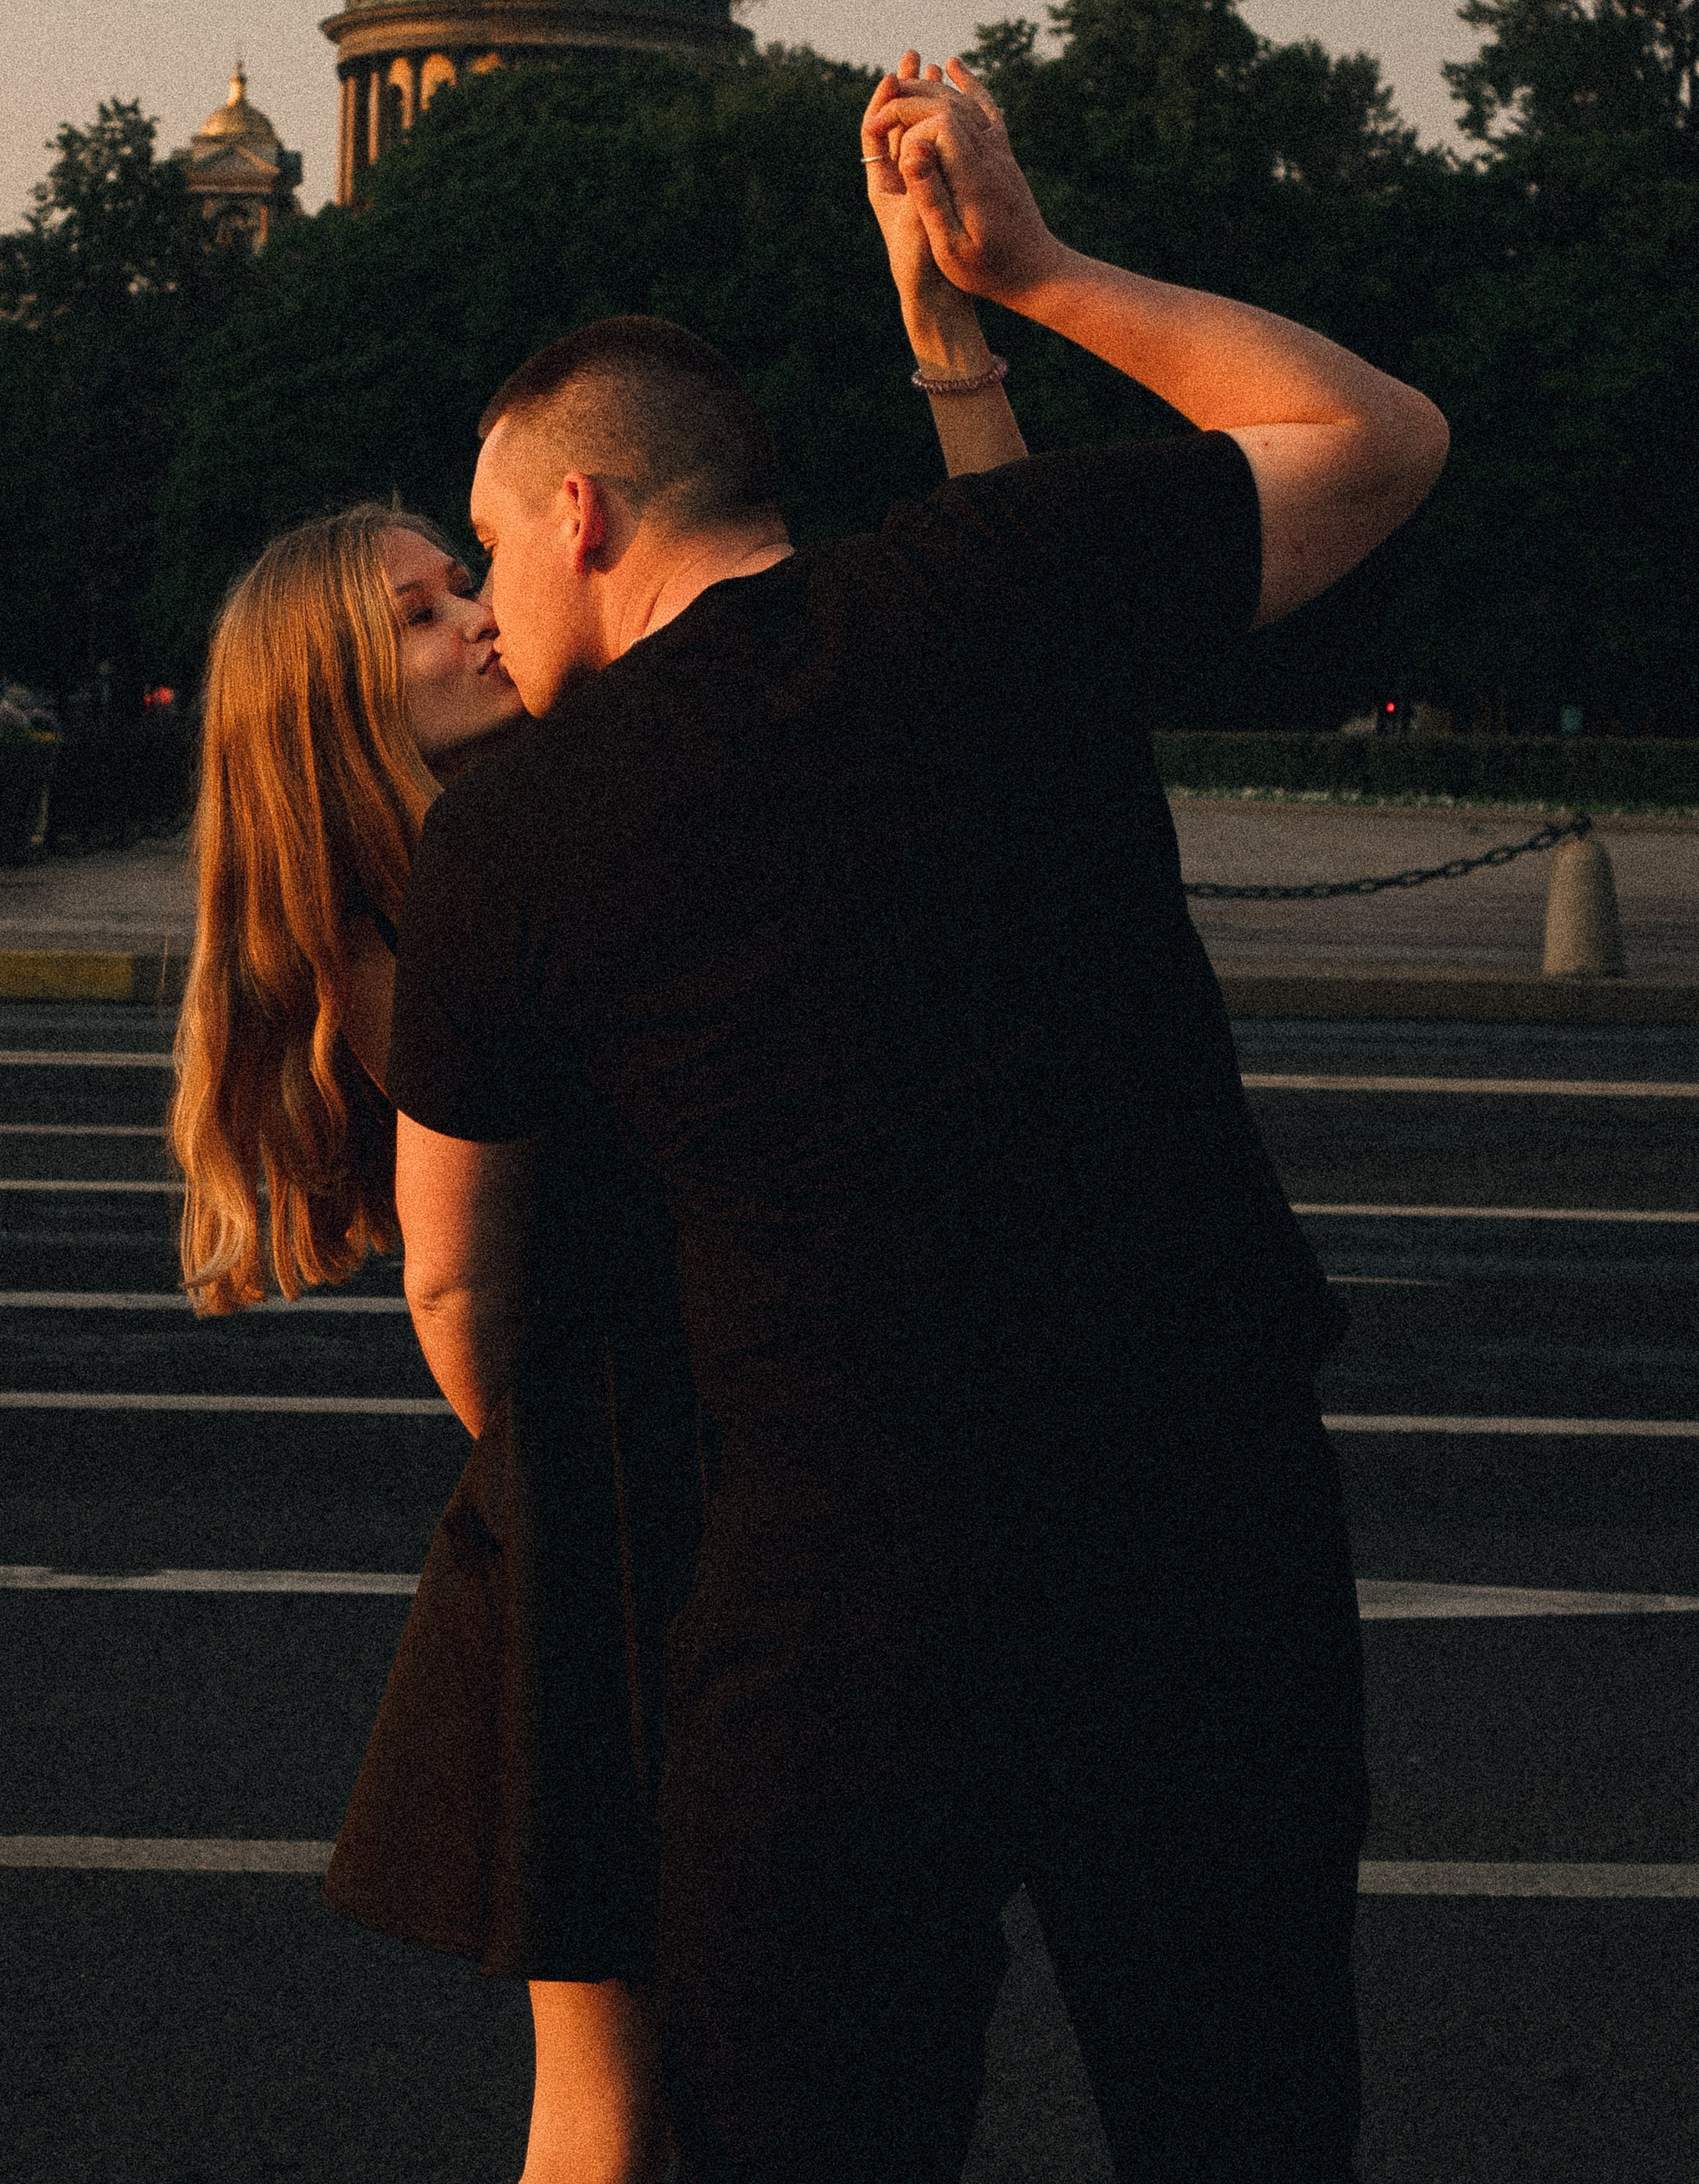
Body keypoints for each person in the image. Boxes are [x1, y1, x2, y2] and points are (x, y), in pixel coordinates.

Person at [386, 54, 1450, 2184]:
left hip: (826, 1591)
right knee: (1239, 2111)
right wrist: (1017, 278)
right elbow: (1376, 434)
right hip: (1198, 1528)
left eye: (491, 539)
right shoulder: (994, 593)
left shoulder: (515, 836)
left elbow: (460, 1279)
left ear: (581, 510)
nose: (488, 608)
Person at [168, 105, 1025, 2184]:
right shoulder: (432, 926)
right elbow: (468, 1296)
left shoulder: (527, 843)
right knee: (635, 2096)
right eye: (417, 607)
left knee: (654, 2088)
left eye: (465, 574)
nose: (475, 611)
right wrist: (579, 1486)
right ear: (320, 699)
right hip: (623, 1528)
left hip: (647, 1513)